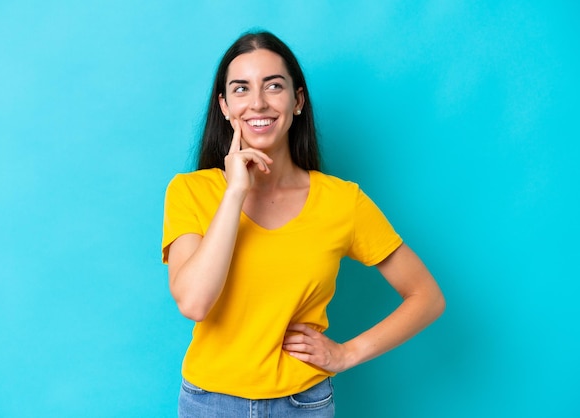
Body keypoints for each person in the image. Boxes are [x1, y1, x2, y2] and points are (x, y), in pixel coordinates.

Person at [162, 30, 445, 417]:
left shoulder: (342, 201)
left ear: (297, 101)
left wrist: (347, 353)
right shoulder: (191, 191)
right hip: (209, 403)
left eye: (273, 86)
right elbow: (194, 302)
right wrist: (235, 194)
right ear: (225, 107)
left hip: (303, 404)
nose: (258, 103)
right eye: (241, 89)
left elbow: (426, 296)